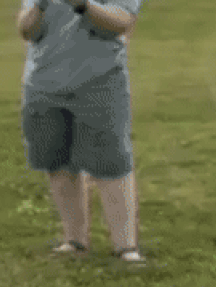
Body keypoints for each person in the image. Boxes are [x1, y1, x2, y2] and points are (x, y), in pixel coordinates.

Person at [16, 0, 146, 263]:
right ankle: (74, 241)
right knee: (57, 161)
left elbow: (120, 23)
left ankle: (126, 248)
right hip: (43, 81)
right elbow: (27, 31)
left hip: (100, 80)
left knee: (111, 162)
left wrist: (83, 5)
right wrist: (39, 7)